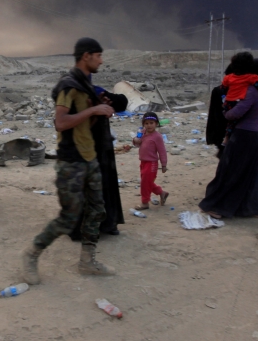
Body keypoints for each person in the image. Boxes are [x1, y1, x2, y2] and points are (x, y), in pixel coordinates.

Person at [20, 38, 116, 284]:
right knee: (69, 217)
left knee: (97, 210)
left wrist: (98, 111)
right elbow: (61, 123)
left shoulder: (85, 85)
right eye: (98, 55)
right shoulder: (68, 85)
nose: (101, 61)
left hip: (89, 157)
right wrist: (93, 110)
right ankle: (31, 254)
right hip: (71, 161)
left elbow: (82, 124)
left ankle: (87, 261)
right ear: (86, 56)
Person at [199, 51, 258, 219]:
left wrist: (226, 111)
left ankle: (215, 206)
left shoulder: (251, 91)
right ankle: (250, 208)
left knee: (229, 172)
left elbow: (234, 114)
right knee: (250, 174)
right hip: (257, 136)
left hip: (243, 136)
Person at [69, 85, 127, 238]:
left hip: (96, 149)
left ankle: (102, 225)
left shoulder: (93, 92)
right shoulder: (78, 94)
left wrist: (106, 102)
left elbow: (121, 103)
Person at [132, 112, 168, 211]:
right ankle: (162, 193)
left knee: (145, 182)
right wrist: (135, 140)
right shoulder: (142, 132)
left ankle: (145, 203)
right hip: (143, 162)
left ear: (156, 123)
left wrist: (164, 164)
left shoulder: (157, 136)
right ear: (143, 124)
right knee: (147, 182)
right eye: (146, 123)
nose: (149, 125)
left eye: (151, 123)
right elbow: (137, 143)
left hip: (152, 163)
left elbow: (162, 151)